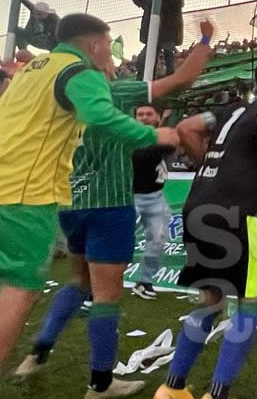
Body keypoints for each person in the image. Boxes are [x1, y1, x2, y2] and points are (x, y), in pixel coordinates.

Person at [13, 22, 213, 398]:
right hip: (110, 205)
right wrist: (204, 40)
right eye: (107, 49)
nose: (112, 59)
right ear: (93, 51)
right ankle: (100, 383)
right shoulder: (115, 92)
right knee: (106, 296)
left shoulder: (59, 92)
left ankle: (38, 351)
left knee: (80, 282)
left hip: (71, 202)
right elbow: (182, 79)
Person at [153, 58, 257, 399]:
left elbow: (188, 127)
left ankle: (172, 388)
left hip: (199, 205)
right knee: (251, 300)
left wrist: (208, 163)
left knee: (211, 299)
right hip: (239, 212)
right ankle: (218, 393)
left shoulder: (232, 109)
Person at [130, 105, 173, 300]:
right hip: (128, 197)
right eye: (140, 114)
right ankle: (93, 287)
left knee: (157, 240)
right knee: (115, 241)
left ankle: (144, 281)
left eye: (149, 114)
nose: (144, 117)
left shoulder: (160, 137)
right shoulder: (127, 136)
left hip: (155, 196)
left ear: (158, 117)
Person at [130, 0, 184, 79]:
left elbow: (179, 1)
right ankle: (146, 79)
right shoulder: (152, 0)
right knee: (145, 58)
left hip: (168, 34)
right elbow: (140, 1)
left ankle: (171, 77)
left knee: (168, 53)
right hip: (154, 35)